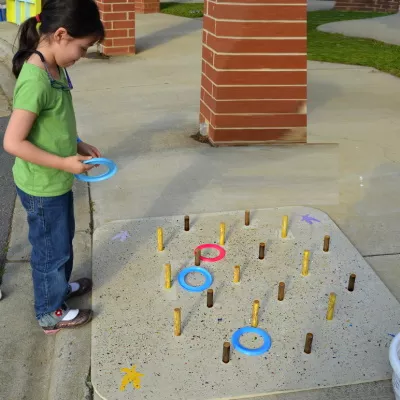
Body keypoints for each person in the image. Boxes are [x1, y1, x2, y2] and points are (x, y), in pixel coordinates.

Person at [3, 0, 105, 334]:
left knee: (61, 242)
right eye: (82, 47)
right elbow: (13, 142)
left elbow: (53, 123)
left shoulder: (55, 67)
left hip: (55, 180)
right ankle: (49, 311)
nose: (83, 55)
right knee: (52, 251)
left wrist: (76, 144)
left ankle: (58, 289)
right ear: (61, 34)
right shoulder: (36, 79)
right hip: (42, 186)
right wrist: (63, 162)